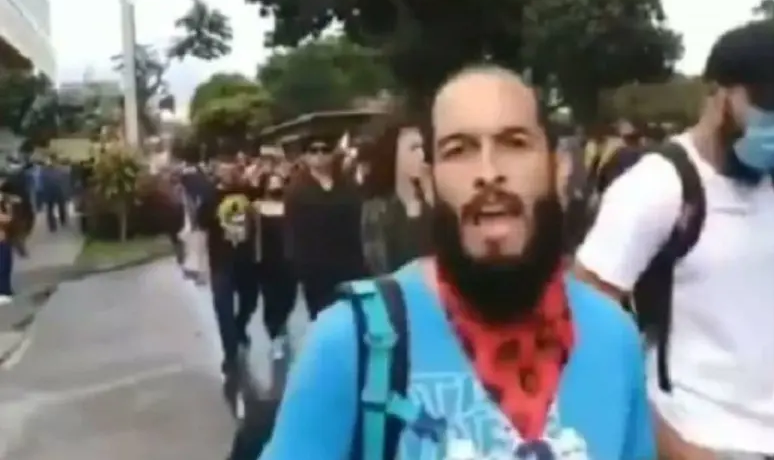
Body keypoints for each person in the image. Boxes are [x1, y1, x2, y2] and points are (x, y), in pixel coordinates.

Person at [261, 66, 655, 459]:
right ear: (430, 184)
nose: (488, 173)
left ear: (558, 169)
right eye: (459, 150)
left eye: (514, 143)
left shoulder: (614, 339)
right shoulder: (349, 344)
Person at [575, 22, 774, 460]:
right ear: (718, 96)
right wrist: (674, 448)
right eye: (764, 106)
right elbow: (582, 329)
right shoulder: (657, 185)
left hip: (769, 438)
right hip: (689, 431)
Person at [283, 135, 367, 319]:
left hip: (350, 263)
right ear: (305, 156)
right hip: (315, 268)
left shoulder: (347, 185)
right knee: (323, 317)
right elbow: (292, 229)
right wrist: (298, 267)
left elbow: (358, 219)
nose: (319, 154)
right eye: (313, 150)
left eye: (325, 150)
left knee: (353, 315)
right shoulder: (296, 189)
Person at [197, 155, 259, 375]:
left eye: (232, 168)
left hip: (246, 260)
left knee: (250, 301)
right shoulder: (210, 196)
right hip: (221, 262)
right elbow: (201, 226)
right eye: (223, 169)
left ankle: (240, 325)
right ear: (217, 171)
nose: (228, 173)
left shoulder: (247, 191)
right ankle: (230, 353)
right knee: (223, 309)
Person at [360, 113, 432, 274]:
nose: (421, 155)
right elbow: (378, 266)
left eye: (423, 147)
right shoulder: (376, 209)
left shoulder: (435, 202)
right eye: (413, 148)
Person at [254, 172, 297, 361]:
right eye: (272, 183)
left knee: (289, 297)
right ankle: (275, 335)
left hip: (288, 261)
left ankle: (282, 322)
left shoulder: (290, 208)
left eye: (278, 182)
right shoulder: (257, 208)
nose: (276, 187)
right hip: (266, 261)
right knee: (271, 299)